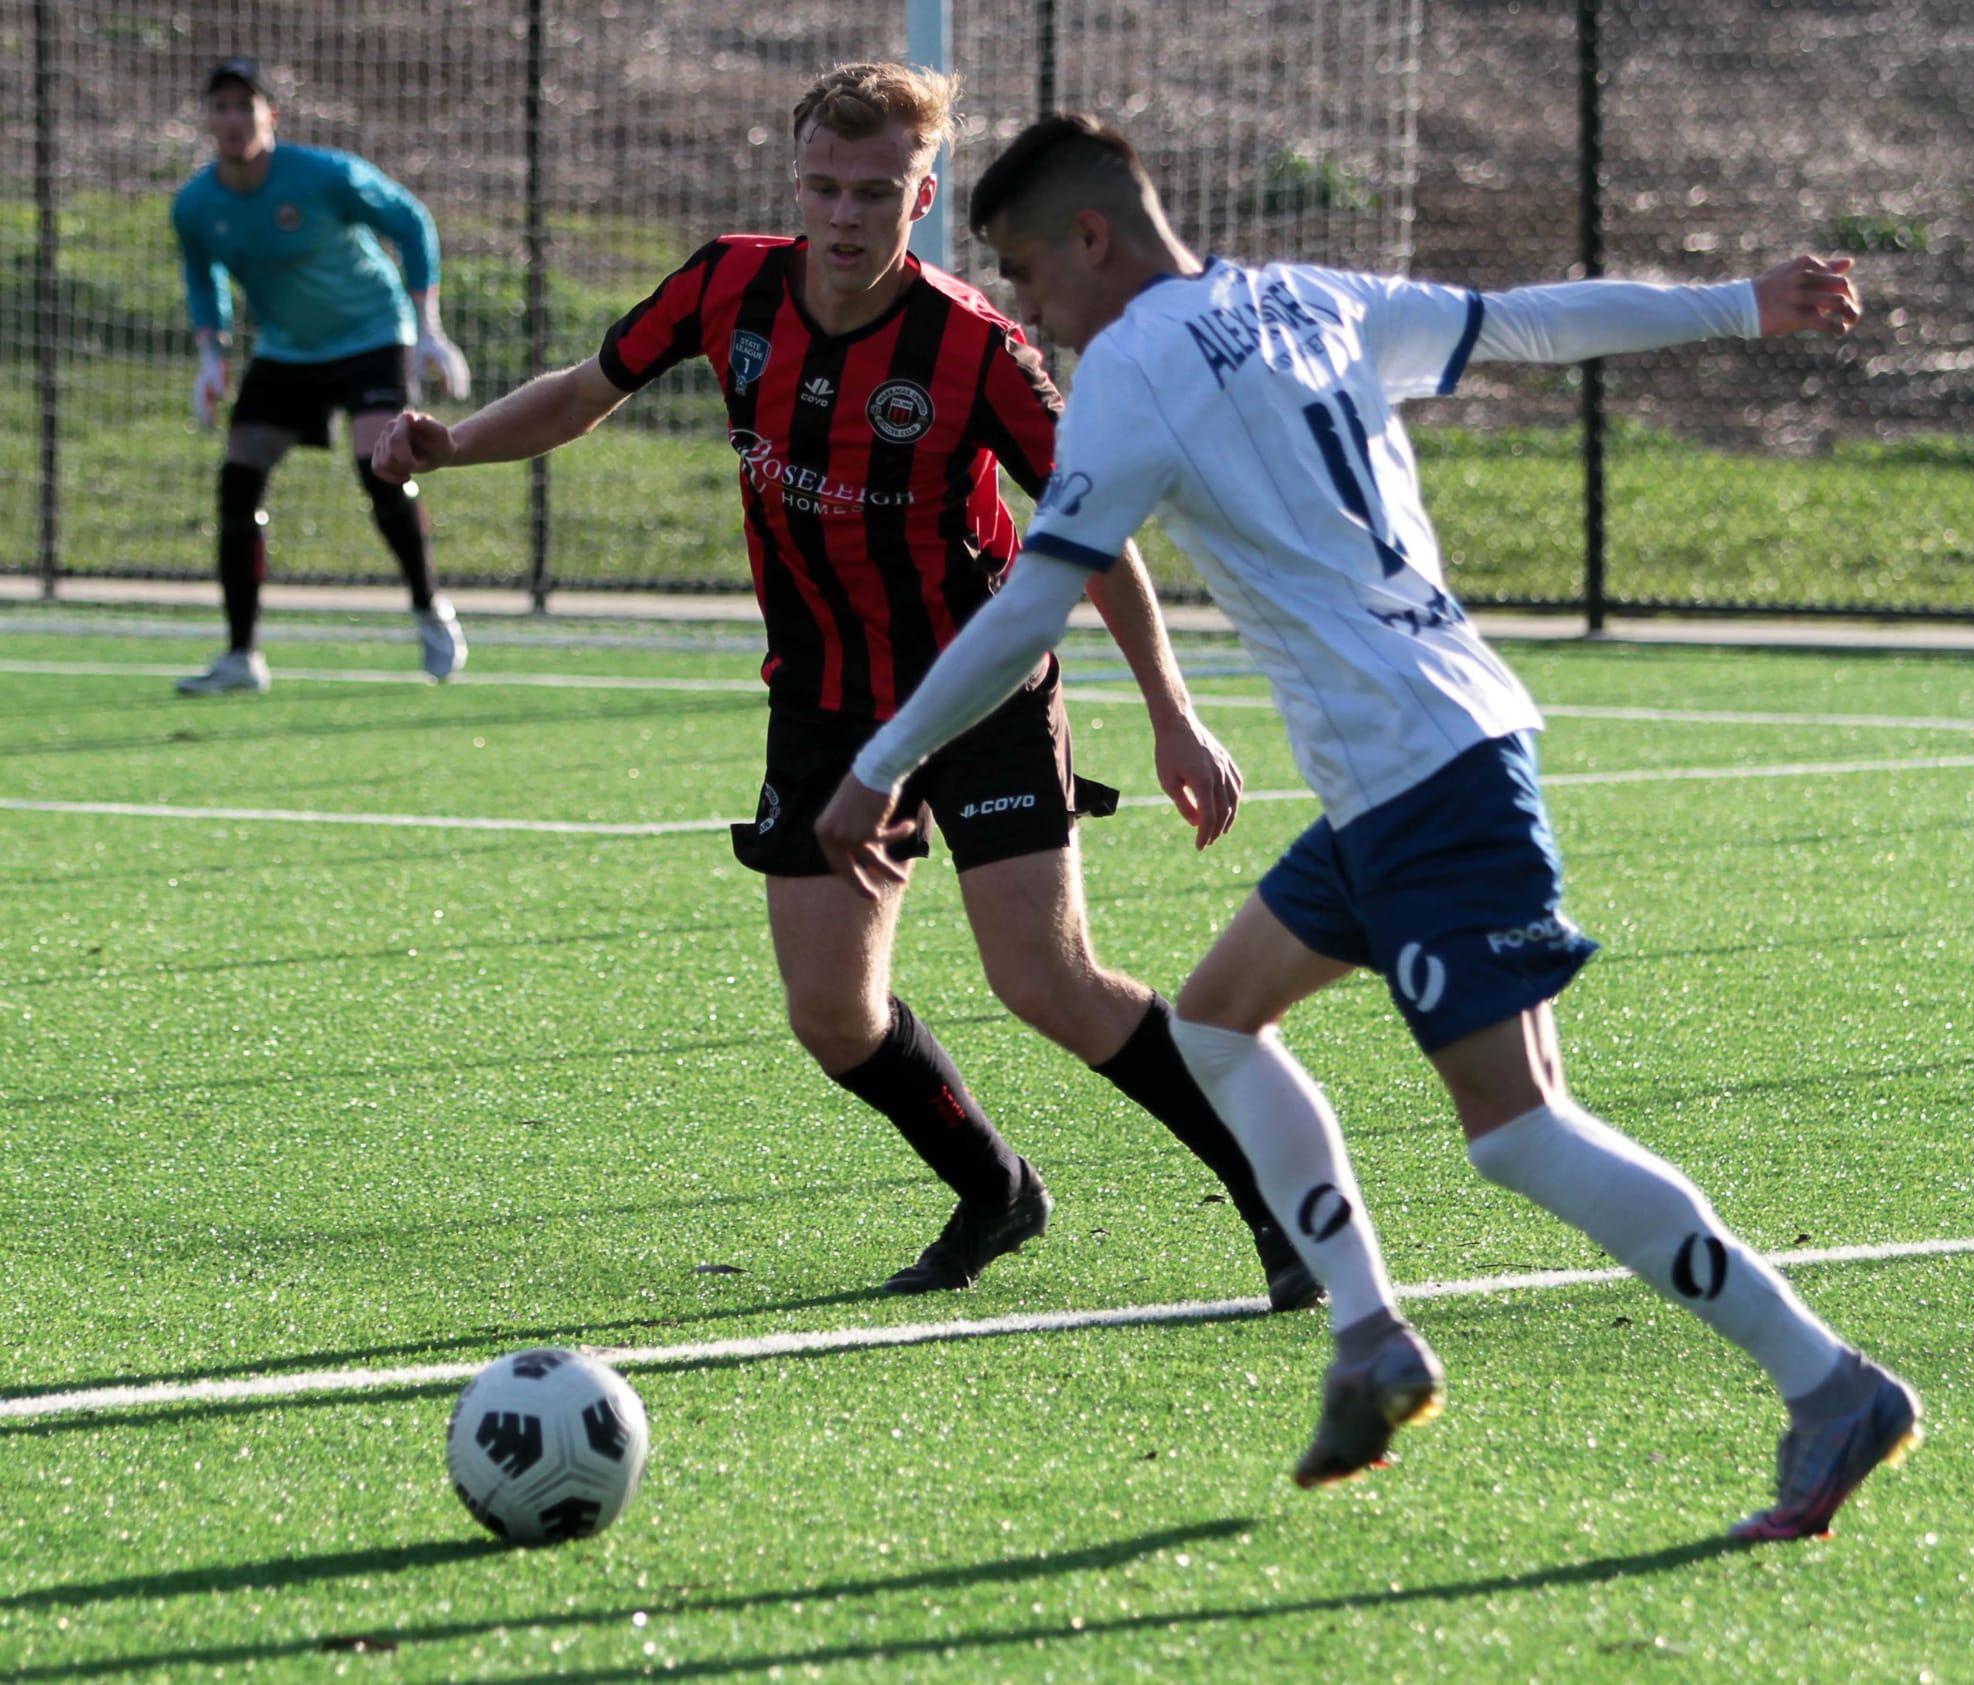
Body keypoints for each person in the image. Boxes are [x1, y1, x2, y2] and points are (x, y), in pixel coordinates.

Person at [816, 113, 1922, 1541]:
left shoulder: (1134, 369)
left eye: (1026, 272)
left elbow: (1034, 600)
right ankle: (1369, 1336)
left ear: (1092, 237)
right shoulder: (1311, 298)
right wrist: (1738, 303)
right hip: (1408, 764)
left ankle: (1827, 1383)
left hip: (1422, 775)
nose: (1025, 307)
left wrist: (881, 763)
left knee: (1519, 1131)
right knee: (1215, 1022)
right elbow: (1527, 323)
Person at [372, 64, 1319, 1309]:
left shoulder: (974, 347)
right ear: (794, 181)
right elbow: (584, 393)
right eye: (822, 185)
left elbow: (1095, 534)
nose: (844, 213)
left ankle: (1279, 1201)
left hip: (977, 690)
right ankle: (996, 1189)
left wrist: (1171, 712)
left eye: (876, 192)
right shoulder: (725, 285)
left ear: (921, 198)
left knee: (1045, 981)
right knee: (831, 1013)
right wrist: (453, 446)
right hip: (822, 697)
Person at [171, 56, 473, 694]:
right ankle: (241, 657)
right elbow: (202, 277)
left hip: (372, 334)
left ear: (270, 116)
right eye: (220, 107)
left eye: (244, 105)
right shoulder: (196, 205)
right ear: (207, 119)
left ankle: (429, 611)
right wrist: (210, 358)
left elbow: (411, 221)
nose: (232, 118)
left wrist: (429, 330)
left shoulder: (325, 175)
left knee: (379, 467)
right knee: (237, 479)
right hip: (288, 350)